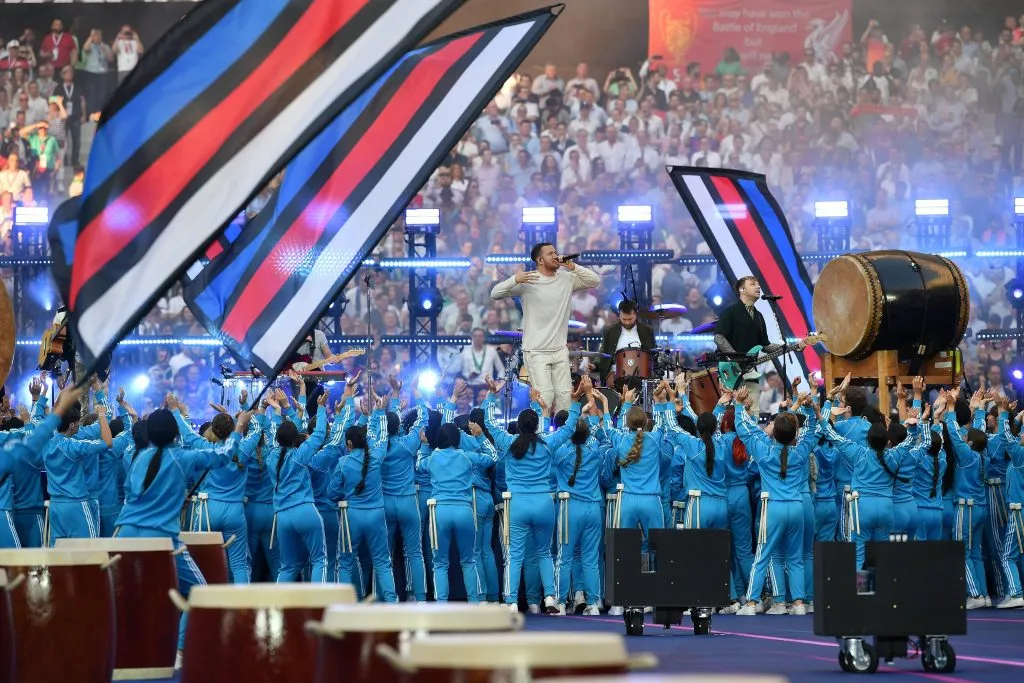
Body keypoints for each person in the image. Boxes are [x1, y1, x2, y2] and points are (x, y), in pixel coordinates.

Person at [115, 400, 250, 665]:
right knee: (199, 592)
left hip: (124, 534)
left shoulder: (139, 458)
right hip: (161, 538)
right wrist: (239, 429)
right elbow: (223, 456)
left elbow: (132, 494)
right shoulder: (182, 457)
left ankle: (123, 652)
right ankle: (178, 652)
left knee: (127, 595)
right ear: (175, 432)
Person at [483, 375, 585, 613]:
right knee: (544, 553)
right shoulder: (548, 443)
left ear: (518, 426)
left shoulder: (509, 442)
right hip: (543, 504)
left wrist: (491, 395)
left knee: (515, 556)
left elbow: (489, 423)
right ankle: (549, 597)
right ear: (537, 425)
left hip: (518, 504)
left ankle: (511, 601)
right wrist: (574, 402)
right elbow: (569, 428)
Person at [490, 242, 600, 412]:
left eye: (556, 252)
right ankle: (542, 429)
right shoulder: (528, 280)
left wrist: (572, 266)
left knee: (565, 397)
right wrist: (515, 279)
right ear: (540, 260)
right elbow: (495, 293)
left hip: (559, 349)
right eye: (550, 254)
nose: (556, 256)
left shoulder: (566, 278)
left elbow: (594, 280)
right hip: (536, 350)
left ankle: (564, 429)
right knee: (545, 396)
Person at [714, 276, 803, 412]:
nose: (758, 287)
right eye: (753, 284)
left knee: (753, 413)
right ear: (742, 289)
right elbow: (719, 337)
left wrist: (793, 347)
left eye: (758, 284)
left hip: (750, 373)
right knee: (730, 413)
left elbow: (765, 346)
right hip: (731, 372)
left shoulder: (759, 316)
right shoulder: (730, 312)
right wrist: (736, 359)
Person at [596, 300, 656, 389]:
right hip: (615, 371)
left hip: (641, 372)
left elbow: (652, 352)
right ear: (619, 315)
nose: (627, 322)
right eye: (624, 319)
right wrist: (595, 364)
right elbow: (603, 351)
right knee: (611, 383)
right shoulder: (610, 331)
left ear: (636, 315)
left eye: (630, 319)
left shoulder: (647, 331)